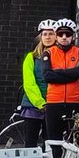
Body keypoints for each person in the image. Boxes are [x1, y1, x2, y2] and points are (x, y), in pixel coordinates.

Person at [42, 18, 79, 155]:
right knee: (54, 143)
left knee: (74, 144)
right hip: (54, 102)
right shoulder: (48, 53)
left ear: (73, 36)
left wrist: (58, 73)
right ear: (56, 36)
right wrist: (72, 75)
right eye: (60, 34)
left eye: (67, 34)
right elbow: (47, 76)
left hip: (74, 102)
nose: (64, 37)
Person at [17, 20, 57, 148]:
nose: (48, 37)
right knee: (30, 144)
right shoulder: (32, 57)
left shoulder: (60, 58)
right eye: (45, 34)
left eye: (51, 34)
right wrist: (40, 102)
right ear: (40, 37)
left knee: (50, 144)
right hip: (33, 106)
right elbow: (29, 83)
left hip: (53, 104)